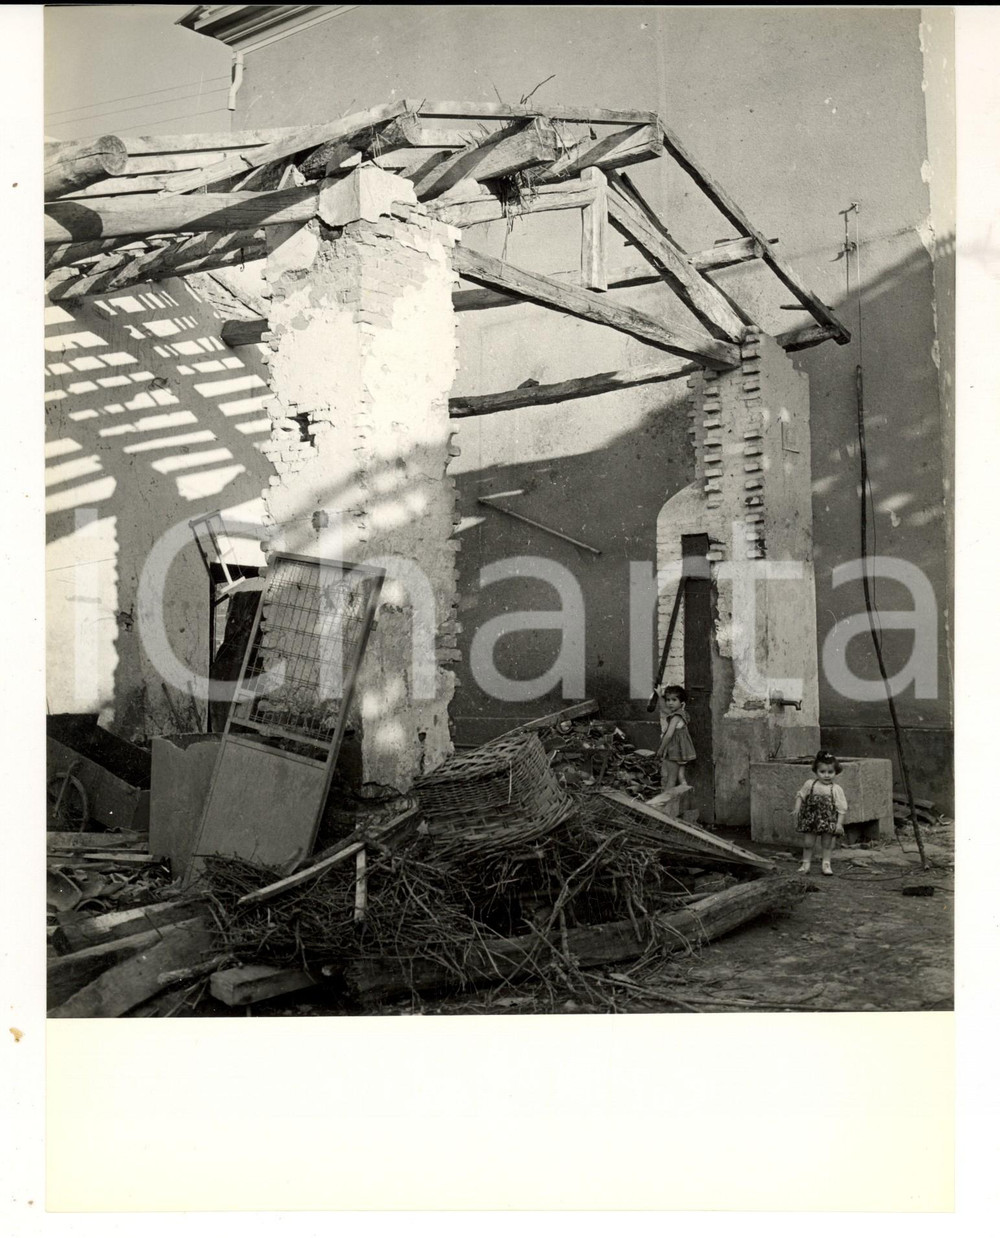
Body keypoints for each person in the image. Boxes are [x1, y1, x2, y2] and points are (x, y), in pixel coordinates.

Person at [793, 750, 847, 875]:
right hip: (811, 819)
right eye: (822, 772)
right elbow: (800, 795)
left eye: (830, 772)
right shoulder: (810, 784)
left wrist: (839, 824)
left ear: (835, 772)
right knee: (808, 843)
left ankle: (826, 864)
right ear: (816, 771)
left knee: (827, 843)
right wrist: (797, 809)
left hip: (828, 820)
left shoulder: (836, 789)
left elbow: (841, 809)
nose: (826, 775)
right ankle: (805, 864)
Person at [655, 684, 696, 791]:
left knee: (670, 780)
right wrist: (660, 695)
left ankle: (667, 804)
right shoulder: (681, 713)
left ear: (682, 703)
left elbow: (669, 735)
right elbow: (664, 708)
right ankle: (685, 796)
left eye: (674, 700)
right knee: (681, 776)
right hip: (682, 751)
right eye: (668, 700)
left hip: (675, 751)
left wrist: (661, 749)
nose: (670, 702)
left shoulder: (676, 717)